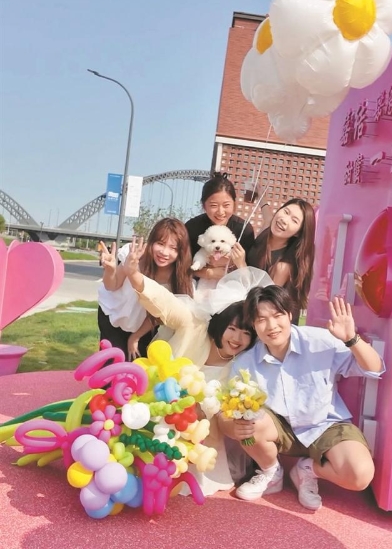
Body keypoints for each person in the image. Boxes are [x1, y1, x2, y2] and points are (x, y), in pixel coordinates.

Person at [122, 236, 274, 495]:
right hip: (157, 409)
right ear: (221, 323)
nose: (237, 338)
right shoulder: (194, 325)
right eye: (232, 328)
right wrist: (134, 275)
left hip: (200, 435)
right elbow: (164, 302)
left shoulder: (242, 365)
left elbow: (224, 415)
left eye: (246, 333)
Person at [218, 285, 385, 511]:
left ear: (289, 314)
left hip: (326, 425)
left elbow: (375, 368)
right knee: (248, 418)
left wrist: (351, 339)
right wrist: (234, 427)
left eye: (277, 315)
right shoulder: (244, 363)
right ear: (254, 324)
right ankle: (270, 471)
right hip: (281, 428)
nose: (271, 326)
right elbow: (226, 414)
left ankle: (308, 470)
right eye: (262, 320)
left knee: (359, 475)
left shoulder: (320, 341)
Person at [97, 218, 193, 361]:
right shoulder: (135, 256)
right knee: (111, 365)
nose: (165, 252)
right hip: (112, 314)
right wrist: (110, 271)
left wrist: (135, 337)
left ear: (181, 251)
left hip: (142, 325)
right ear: (152, 242)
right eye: (160, 244)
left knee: (137, 367)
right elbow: (112, 285)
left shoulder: (177, 277)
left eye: (173, 248)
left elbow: (159, 315)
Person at [231, 198, 316, 323]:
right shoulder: (267, 231)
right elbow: (267, 215)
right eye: (286, 212)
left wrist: (241, 264)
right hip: (245, 300)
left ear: (298, 233)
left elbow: (262, 300)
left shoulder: (283, 266)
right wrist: (260, 194)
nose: (284, 220)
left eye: (294, 221)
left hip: (267, 319)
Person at [185, 172, 255, 285]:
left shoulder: (244, 229)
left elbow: (250, 275)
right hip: (197, 285)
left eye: (226, 205)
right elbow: (182, 267)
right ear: (203, 206)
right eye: (213, 205)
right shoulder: (192, 227)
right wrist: (209, 273)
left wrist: (240, 263)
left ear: (234, 204)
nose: (220, 212)